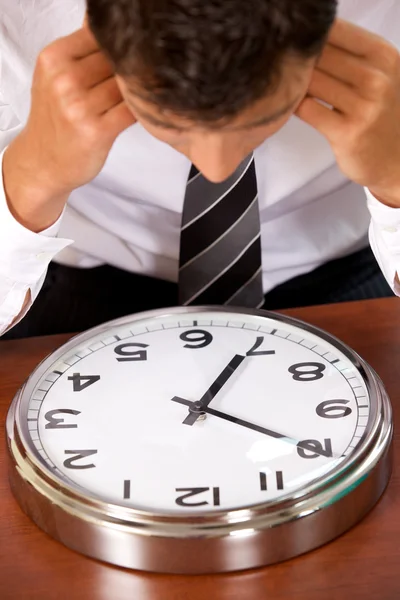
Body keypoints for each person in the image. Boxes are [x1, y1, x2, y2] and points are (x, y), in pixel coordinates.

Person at [1, 0, 400, 340]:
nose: (216, 168)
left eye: (271, 116)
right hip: (77, 270)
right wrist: (31, 178)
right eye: (167, 125)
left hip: (354, 265)